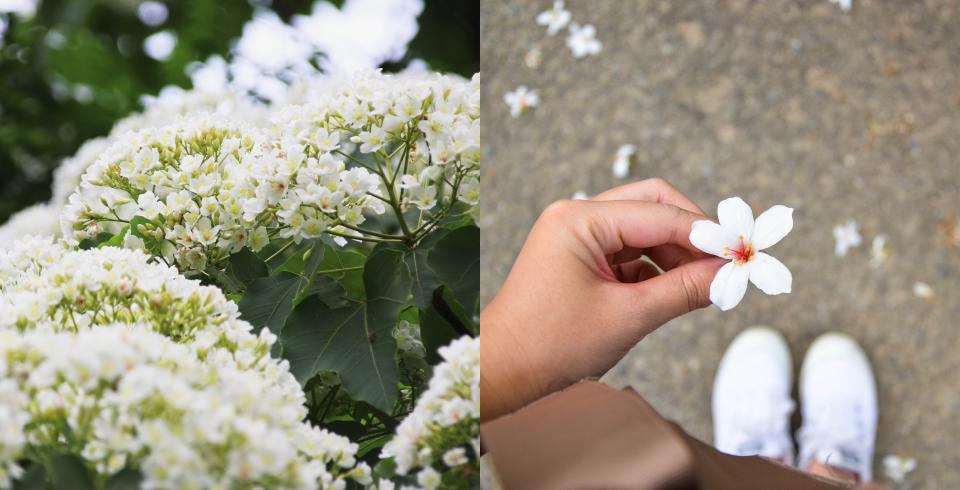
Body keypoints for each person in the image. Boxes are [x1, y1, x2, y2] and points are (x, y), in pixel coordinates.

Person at [480, 179, 884, 489]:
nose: (742, 254)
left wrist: (510, 356)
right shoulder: (739, 254)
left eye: (744, 253)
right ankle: (829, 472)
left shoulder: (752, 250)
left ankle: (759, 462)